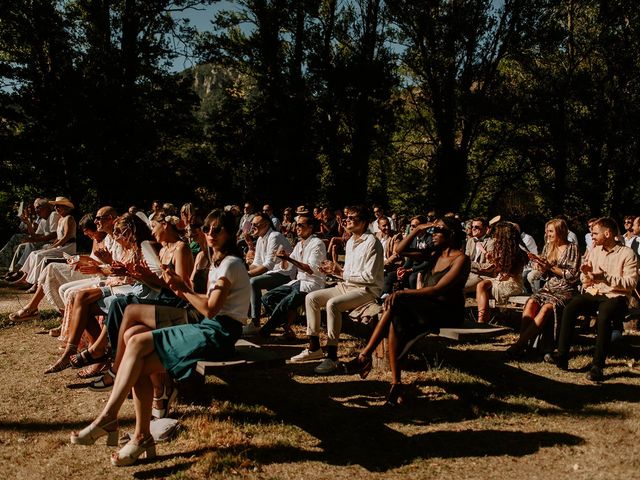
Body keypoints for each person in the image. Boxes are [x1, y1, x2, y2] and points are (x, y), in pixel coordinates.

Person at [69, 210, 250, 467]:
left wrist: (180, 287)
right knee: (133, 336)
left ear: (230, 233)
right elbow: (204, 304)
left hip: (219, 332)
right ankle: (142, 435)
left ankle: (108, 418)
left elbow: (209, 309)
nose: (210, 234)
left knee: (138, 341)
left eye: (217, 230)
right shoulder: (220, 261)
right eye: (208, 229)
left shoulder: (230, 263)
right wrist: (178, 286)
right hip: (210, 326)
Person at [343, 217, 470, 405]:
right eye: (432, 230)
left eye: (438, 231)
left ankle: (367, 359)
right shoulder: (434, 253)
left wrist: (404, 292)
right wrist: (417, 229)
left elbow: (438, 289)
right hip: (427, 306)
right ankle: (392, 380)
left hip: (447, 311)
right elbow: (399, 251)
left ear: (451, 234)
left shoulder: (461, 259)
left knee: (397, 306)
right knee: (396, 314)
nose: (433, 234)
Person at [289, 205, 384, 374]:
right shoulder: (351, 241)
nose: (346, 220)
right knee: (311, 298)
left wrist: (339, 271)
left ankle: (332, 356)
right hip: (347, 286)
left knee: (333, 304)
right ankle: (314, 347)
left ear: (363, 222)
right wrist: (334, 270)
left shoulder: (372, 243)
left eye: (351, 218)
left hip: (367, 290)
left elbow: (369, 277)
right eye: (346, 217)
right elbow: (348, 273)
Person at [546, 217, 638, 382]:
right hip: (595, 293)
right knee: (570, 306)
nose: (592, 236)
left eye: (595, 233)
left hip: (616, 296)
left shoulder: (627, 254)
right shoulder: (595, 251)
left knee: (604, 315)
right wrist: (586, 274)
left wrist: (605, 277)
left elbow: (631, 283)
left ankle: (597, 366)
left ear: (608, 233)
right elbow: (586, 280)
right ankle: (562, 355)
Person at [8, 214, 107, 321]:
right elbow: (92, 259)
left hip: (97, 274)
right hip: (88, 269)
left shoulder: (107, 239)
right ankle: (35, 306)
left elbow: (104, 265)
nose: (84, 233)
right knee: (51, 268)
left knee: (52, 270)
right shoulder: (95, 239)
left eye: (86, 230)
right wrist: (79, 260)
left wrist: (83, 260)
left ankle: (36, 308)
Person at [505, 219, 580, 359]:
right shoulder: (548, 246)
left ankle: (518, 345)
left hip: (565, 290)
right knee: (531, 302)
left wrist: (550, 267)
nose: (547, 234)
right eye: (547, 231)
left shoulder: (572, 248)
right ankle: (525, 344)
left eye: (551, 231)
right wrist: (541, 266)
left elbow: (573, 276)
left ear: (560, 231)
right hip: (549, 287)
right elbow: (544, 275)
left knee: (546, 308)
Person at [258, 213, 327, 338]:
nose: (297, 228)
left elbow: (310, 269)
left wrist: (288, 258)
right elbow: (288, 268)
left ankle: (265, 331)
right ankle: (285, 326)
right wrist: (283, 259)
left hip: (312, 283)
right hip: (298, 282)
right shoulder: (299, 244)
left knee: (284, 303)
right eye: (296, 225)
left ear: (310, 227)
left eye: (301, 225)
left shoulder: (317, 243)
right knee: (267, 298)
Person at [243, 212, 294, 335]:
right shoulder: (261, 238)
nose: (252, 227)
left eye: (255, 224)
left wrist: (247, 275)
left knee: (253, 282)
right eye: (251, 224)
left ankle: (255, 322)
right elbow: (257, 263)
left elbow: (268, 265)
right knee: (249, 280)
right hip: (272, 273)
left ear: (265, 224)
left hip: (285, 274)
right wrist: (242, 271)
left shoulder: (274, 236)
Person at [10, 197, 77, 290]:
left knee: (39, 256)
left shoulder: (69, 218)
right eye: (56, 206)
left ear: (66, 207)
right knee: (34, 253)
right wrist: (55, 244)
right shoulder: (61, 219)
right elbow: (58, 237)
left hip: (68, 247)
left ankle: (34, 283)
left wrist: (54, 246)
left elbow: (67, 237)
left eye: (59, 206)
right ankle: (25, 278)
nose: (57, 208)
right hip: (61, 246)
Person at [475, 222, 528, 323]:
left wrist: (495, 263)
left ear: (503, 236)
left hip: (512, 283)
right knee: (481, 285)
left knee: (482, 287)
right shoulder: (500, 250)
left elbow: (510, 274)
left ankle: (483, 320)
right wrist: (492, 262)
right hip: (499, 279)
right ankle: (482, 318)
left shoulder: (518, 253)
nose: (494, 236)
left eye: (497, 234)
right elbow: (498, 269)